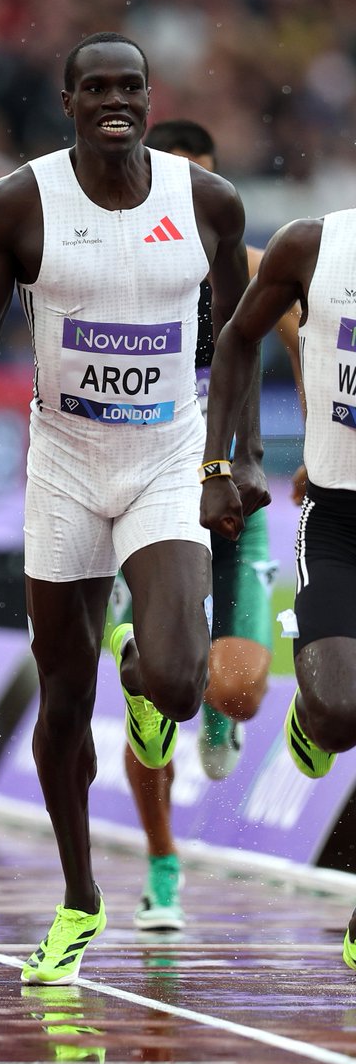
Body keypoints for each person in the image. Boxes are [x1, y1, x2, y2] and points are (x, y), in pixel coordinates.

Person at [0, 33, 260, 985]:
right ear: (68, 99)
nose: (115, 101)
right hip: (66, 467)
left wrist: (228, 461)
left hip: (165, 456)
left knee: (181, 682)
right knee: (62, 700)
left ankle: (146, 670)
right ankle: (80, 898)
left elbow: (241, 345)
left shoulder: (205, 202)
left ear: (152, 99)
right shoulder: (16, 203)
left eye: (131, 87)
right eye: (97, 89)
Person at [117, 119, 292, 930]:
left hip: (235, 507)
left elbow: (313, 350)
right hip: (148, 502)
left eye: (200, 180)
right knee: (149, 711)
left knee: (240, 689)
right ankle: (161, 861)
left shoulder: (254, 272)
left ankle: (219, 707)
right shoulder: (115, 264)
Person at [201, 194, 356, 972]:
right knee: (338, 713)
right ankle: (311, 716)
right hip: (341, 520)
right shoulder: (312, 246)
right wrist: (228, 462)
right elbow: (237, 340)